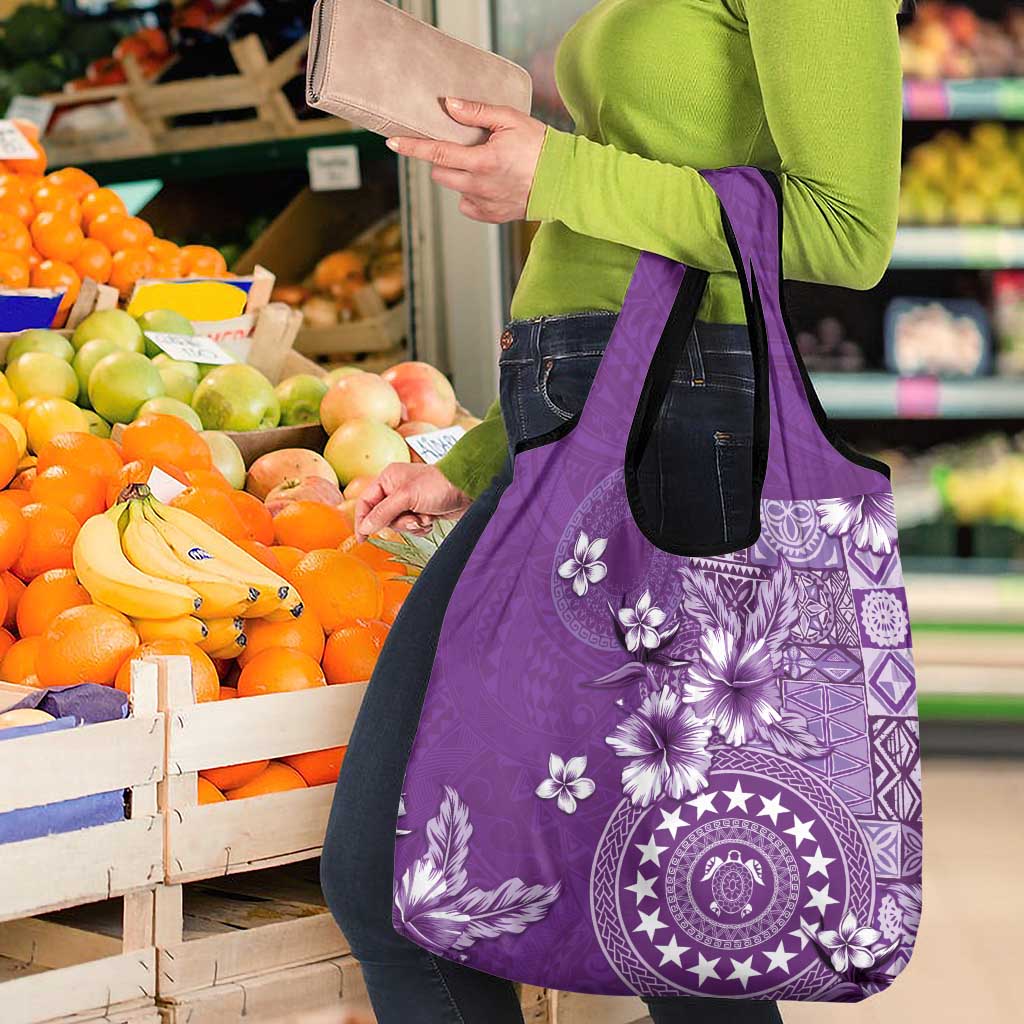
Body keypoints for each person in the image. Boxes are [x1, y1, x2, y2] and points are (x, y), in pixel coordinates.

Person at [321, 2, 903, 1021]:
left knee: (663, 915)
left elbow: (847, 230)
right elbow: (620, 243)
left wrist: (557, 172)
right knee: (671, 918)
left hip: (675, 439)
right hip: (587, 424)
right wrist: (479, 457)